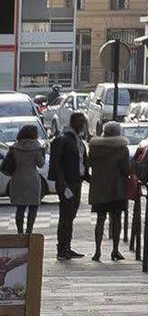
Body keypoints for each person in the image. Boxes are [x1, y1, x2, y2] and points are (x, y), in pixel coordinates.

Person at [86, 121, 131, 262]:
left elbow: (88, 164)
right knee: (116, 220)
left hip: (99, 188)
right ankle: (115, 250)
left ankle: (97, 251)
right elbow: (126, 170)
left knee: (100, 220)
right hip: (116, 189)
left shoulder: (94, 148)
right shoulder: (121, 149)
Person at [47, 110, 86, 261]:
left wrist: (87, 176)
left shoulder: (77, 140)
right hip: (67, 183)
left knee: (70, 215)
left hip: (76, 181)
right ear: (74, 122)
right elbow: (56, 163)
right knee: (66, 216)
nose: (83, 125)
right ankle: (62, 248)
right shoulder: (63, 140)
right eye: (81, 122)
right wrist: (61, 181)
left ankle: (66, 246)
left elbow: (81, 160)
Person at [2, 124, 47, 233]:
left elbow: (8, 163)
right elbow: (40, 164)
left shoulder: (14, 147)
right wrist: (43, 153)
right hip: (32, 179)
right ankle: (29, 231)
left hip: (17, 179)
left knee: (20, 208)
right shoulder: (37, 147)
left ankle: (20, 232)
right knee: (33, 207)